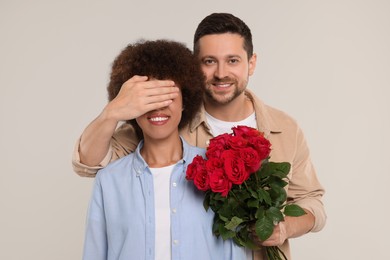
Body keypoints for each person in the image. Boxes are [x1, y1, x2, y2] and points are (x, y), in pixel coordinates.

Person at [75, 13, 326, 259]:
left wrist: (283, 228)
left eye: (233, 60)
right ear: (195, 67)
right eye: (209, 61)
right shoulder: (166, 121)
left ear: (251, 62)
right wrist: (112, 112)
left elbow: (312, 202)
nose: (220, 73)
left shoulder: (285, 128)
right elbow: (92, 163)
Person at [82, 39, 246, 260]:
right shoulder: (109, 180)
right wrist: (112, 111)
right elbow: (94, 253)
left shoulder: (217, 171)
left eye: (167, 95)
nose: (158, 106)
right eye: (148, 97)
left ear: (185, 100)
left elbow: (233, 252)